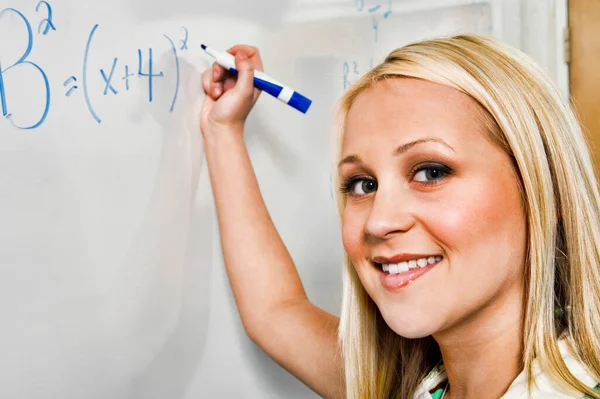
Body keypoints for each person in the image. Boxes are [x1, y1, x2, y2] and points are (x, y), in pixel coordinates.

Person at [199, 34, 600, 399]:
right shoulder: (416, 386)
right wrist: (223, 131)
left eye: (431, 172)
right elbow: (275, 312)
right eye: (362, 184)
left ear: (543, 186)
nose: (378, 221)